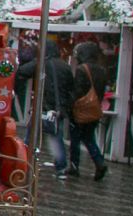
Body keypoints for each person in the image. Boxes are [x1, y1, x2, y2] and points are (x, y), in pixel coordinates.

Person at [14, 42, 73, 179]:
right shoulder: (65, 66)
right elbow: (71, 87)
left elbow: (22, 72)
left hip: (42, 106)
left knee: (30, 136)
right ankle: (61, 167)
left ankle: (24, 162)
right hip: (58, 109)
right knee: (56, 138)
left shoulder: (41, 63)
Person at [69, 42, 110, 181]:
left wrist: (71, 105)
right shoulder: (102, 70)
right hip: (94, 109)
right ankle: (99, 162)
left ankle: (74, 166)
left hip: (81, 109)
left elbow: (78, 91)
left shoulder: (82, 69)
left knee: (75, 138)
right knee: (89, 137)